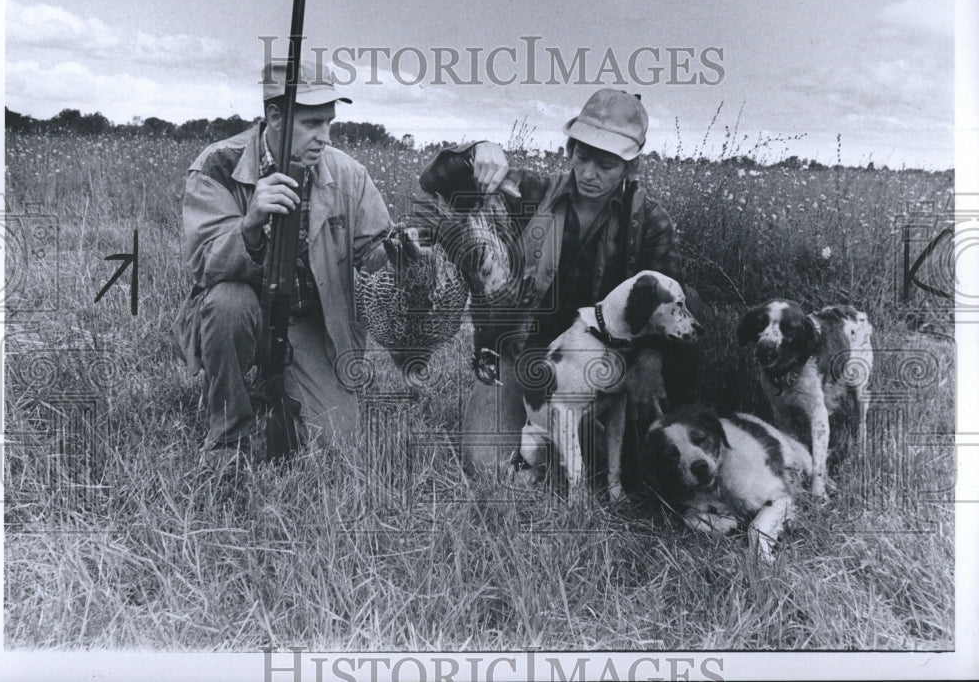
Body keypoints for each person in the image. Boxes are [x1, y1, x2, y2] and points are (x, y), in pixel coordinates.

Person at [418, 88, 702, 477]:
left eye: (606, 164)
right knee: (487, 466)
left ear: (630, 167)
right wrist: (476, 151)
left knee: (645, 472)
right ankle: (559, 438)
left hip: (607, 365)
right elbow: (434, 182)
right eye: (581, 156)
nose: (588, 173)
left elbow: (673, 304)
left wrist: (649, 361)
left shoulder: (650, 223)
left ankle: (586, 437)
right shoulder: (530, 193)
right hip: (523, 358)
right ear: (569, 149)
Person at [174, 59, 392, 456]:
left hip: (313, 322)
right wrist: (250, 225)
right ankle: (229, 436)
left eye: (329, 123)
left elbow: (374, 253)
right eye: (311, 124)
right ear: (274, 116)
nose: (324, 136)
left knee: (338, 444)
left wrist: (403, 252)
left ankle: (275, 389)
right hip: (245, 312)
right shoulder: (218, 165)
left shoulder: (349, 174)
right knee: (228, 303)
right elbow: (204, 264)